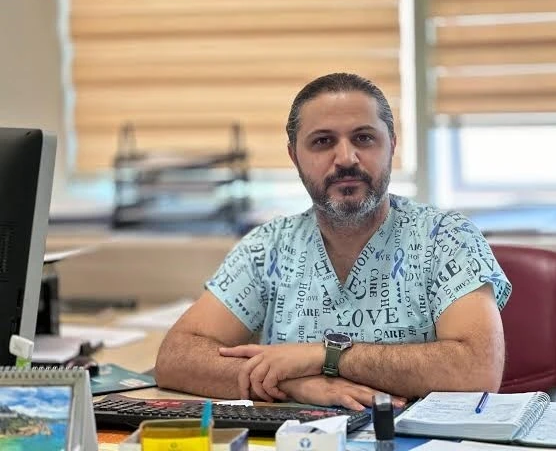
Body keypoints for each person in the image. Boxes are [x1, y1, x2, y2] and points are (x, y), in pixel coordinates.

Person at [155, 73, 512, 411]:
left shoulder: (446, 237)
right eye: (323, 142)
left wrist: (324, 356)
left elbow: (477, 369)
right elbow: (176, 356)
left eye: (364, 138)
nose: (345, 159)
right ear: (294, 157)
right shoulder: (268, 247)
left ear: (392, 145)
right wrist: (294, 384)